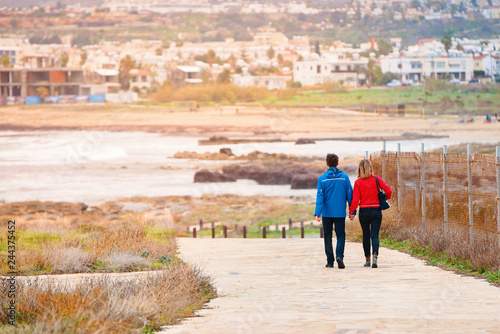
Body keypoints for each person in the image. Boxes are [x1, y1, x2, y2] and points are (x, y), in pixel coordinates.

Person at [349, 159, 392, 268]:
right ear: (370, 168)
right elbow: (389, 191)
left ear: (359, 169)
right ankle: (375, 257)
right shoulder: (377, 179)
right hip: (376, 210)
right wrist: (385, 198)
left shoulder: (358, 182)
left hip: (364, 211)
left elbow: (355, 199)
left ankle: (367, 260)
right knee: (375, 235)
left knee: (366, 235)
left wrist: (351, 211)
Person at [315, 153, 353, 269]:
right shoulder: (344, 178)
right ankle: (339, 256)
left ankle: (330, 261)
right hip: (340, 213)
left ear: (327, 164)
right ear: (337, 163)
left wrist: (318, 213)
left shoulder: (322, 179)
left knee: (327, 236)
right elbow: (350, 195)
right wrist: (352, 211)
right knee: (340, 235)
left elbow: (320, 197)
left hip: (326, 213)